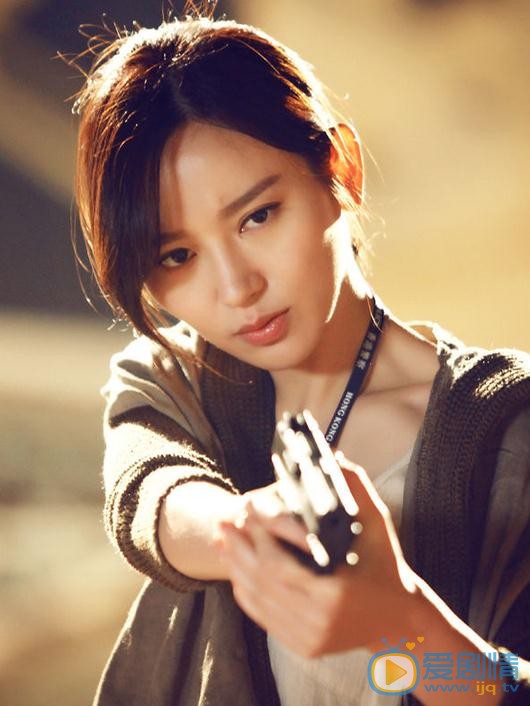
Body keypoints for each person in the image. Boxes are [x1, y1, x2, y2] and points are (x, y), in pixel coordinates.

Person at [73, 6, 530, 706]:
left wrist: (402, 622)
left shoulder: (507, 427)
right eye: (178, 256)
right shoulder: (174, 381)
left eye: (257, 216)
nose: (237, 288)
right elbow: (148, 493)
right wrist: (242, 530)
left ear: (339, 169)